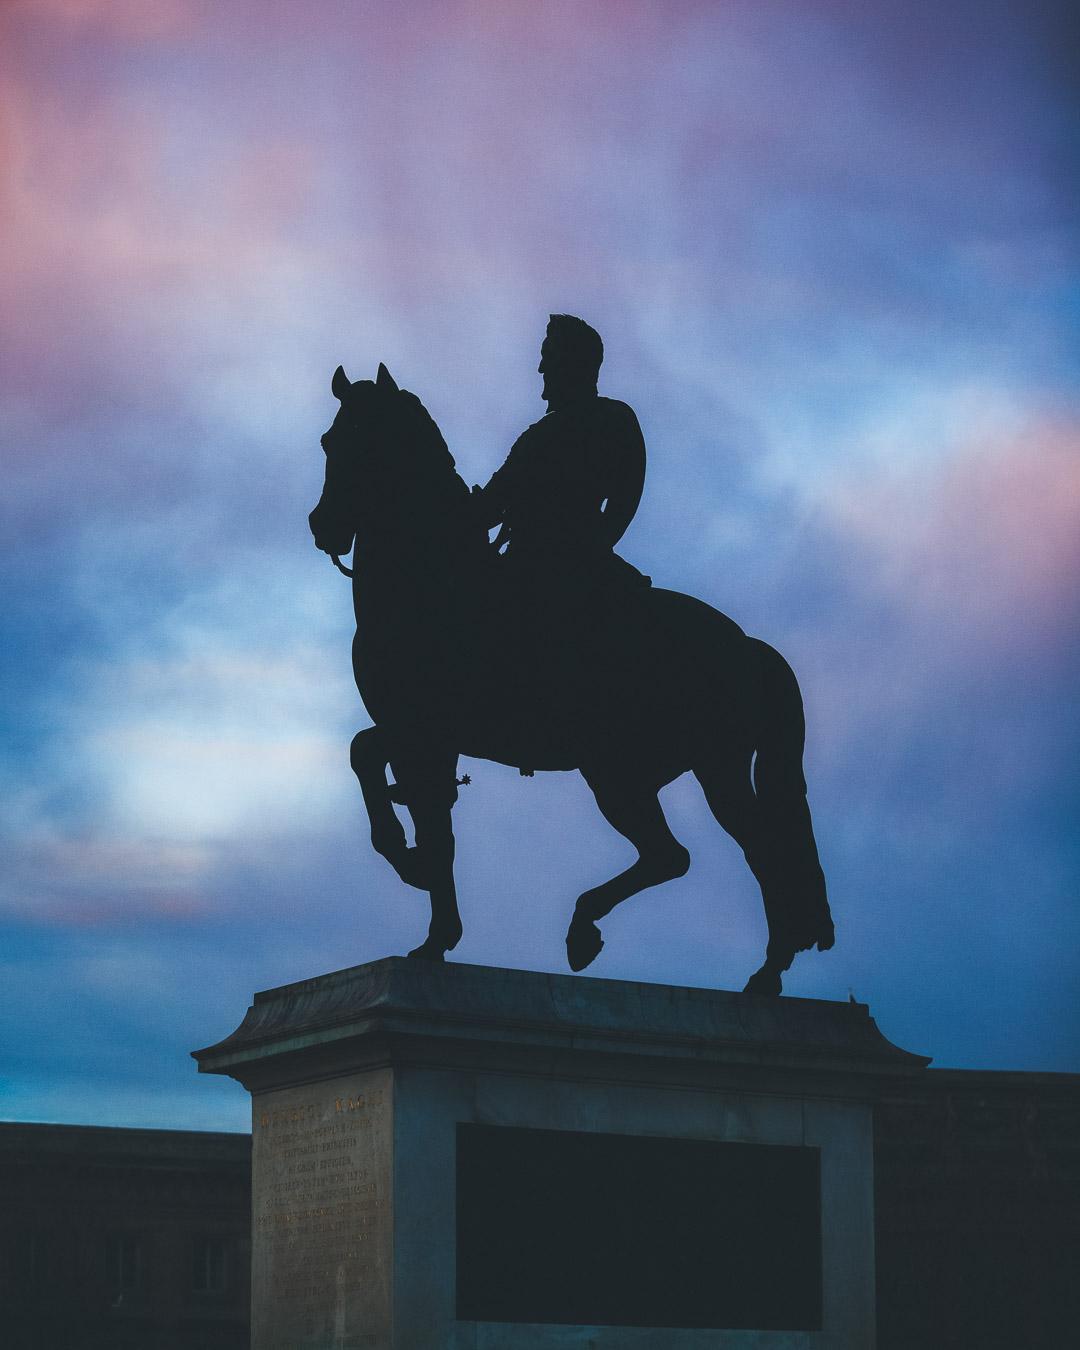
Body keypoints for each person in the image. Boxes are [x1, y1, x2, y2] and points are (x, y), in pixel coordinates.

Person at [471, 316, 652, 741]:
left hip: (567, 563)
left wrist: (594, 547)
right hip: (528, 559)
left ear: (574, 363)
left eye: (548, 359)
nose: (540, 370)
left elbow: (627, 493)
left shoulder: (611, 418)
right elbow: (492, 505)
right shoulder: (536, 436)